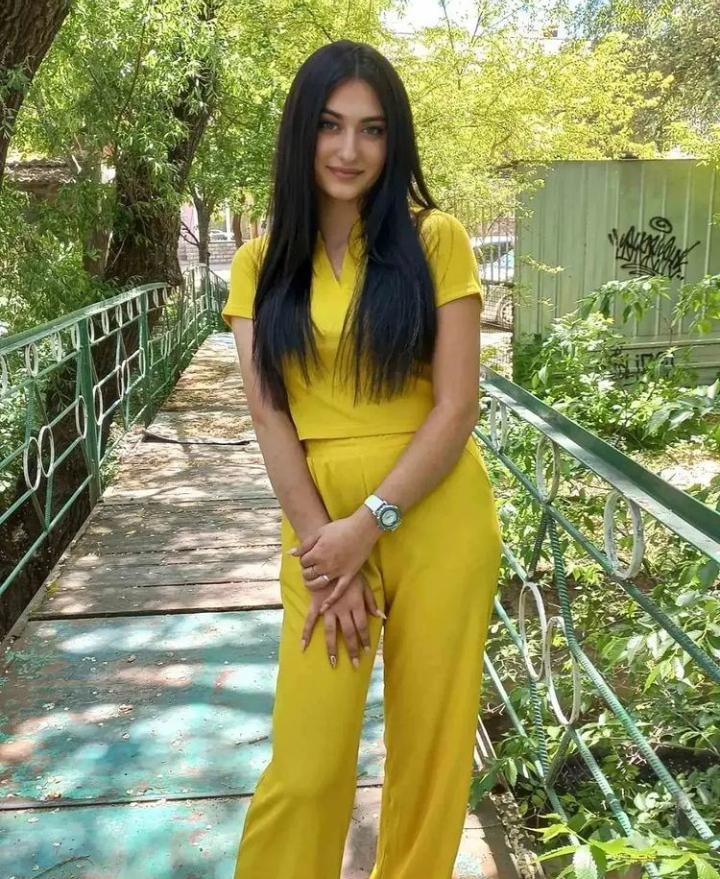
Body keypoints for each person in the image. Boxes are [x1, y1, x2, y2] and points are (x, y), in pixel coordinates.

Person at [222, 39, 501, 879]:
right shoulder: (259, 264)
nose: (350, 149)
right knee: (306, 767)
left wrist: (368, 525)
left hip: (435, 514)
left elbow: (457, 405)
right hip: (321, 531)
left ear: (394, 140)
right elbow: (270, 417)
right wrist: (328, 547)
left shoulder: (436, 241)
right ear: (301, 134)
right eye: (331, 125)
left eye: (372, 129)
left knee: (430, 758)